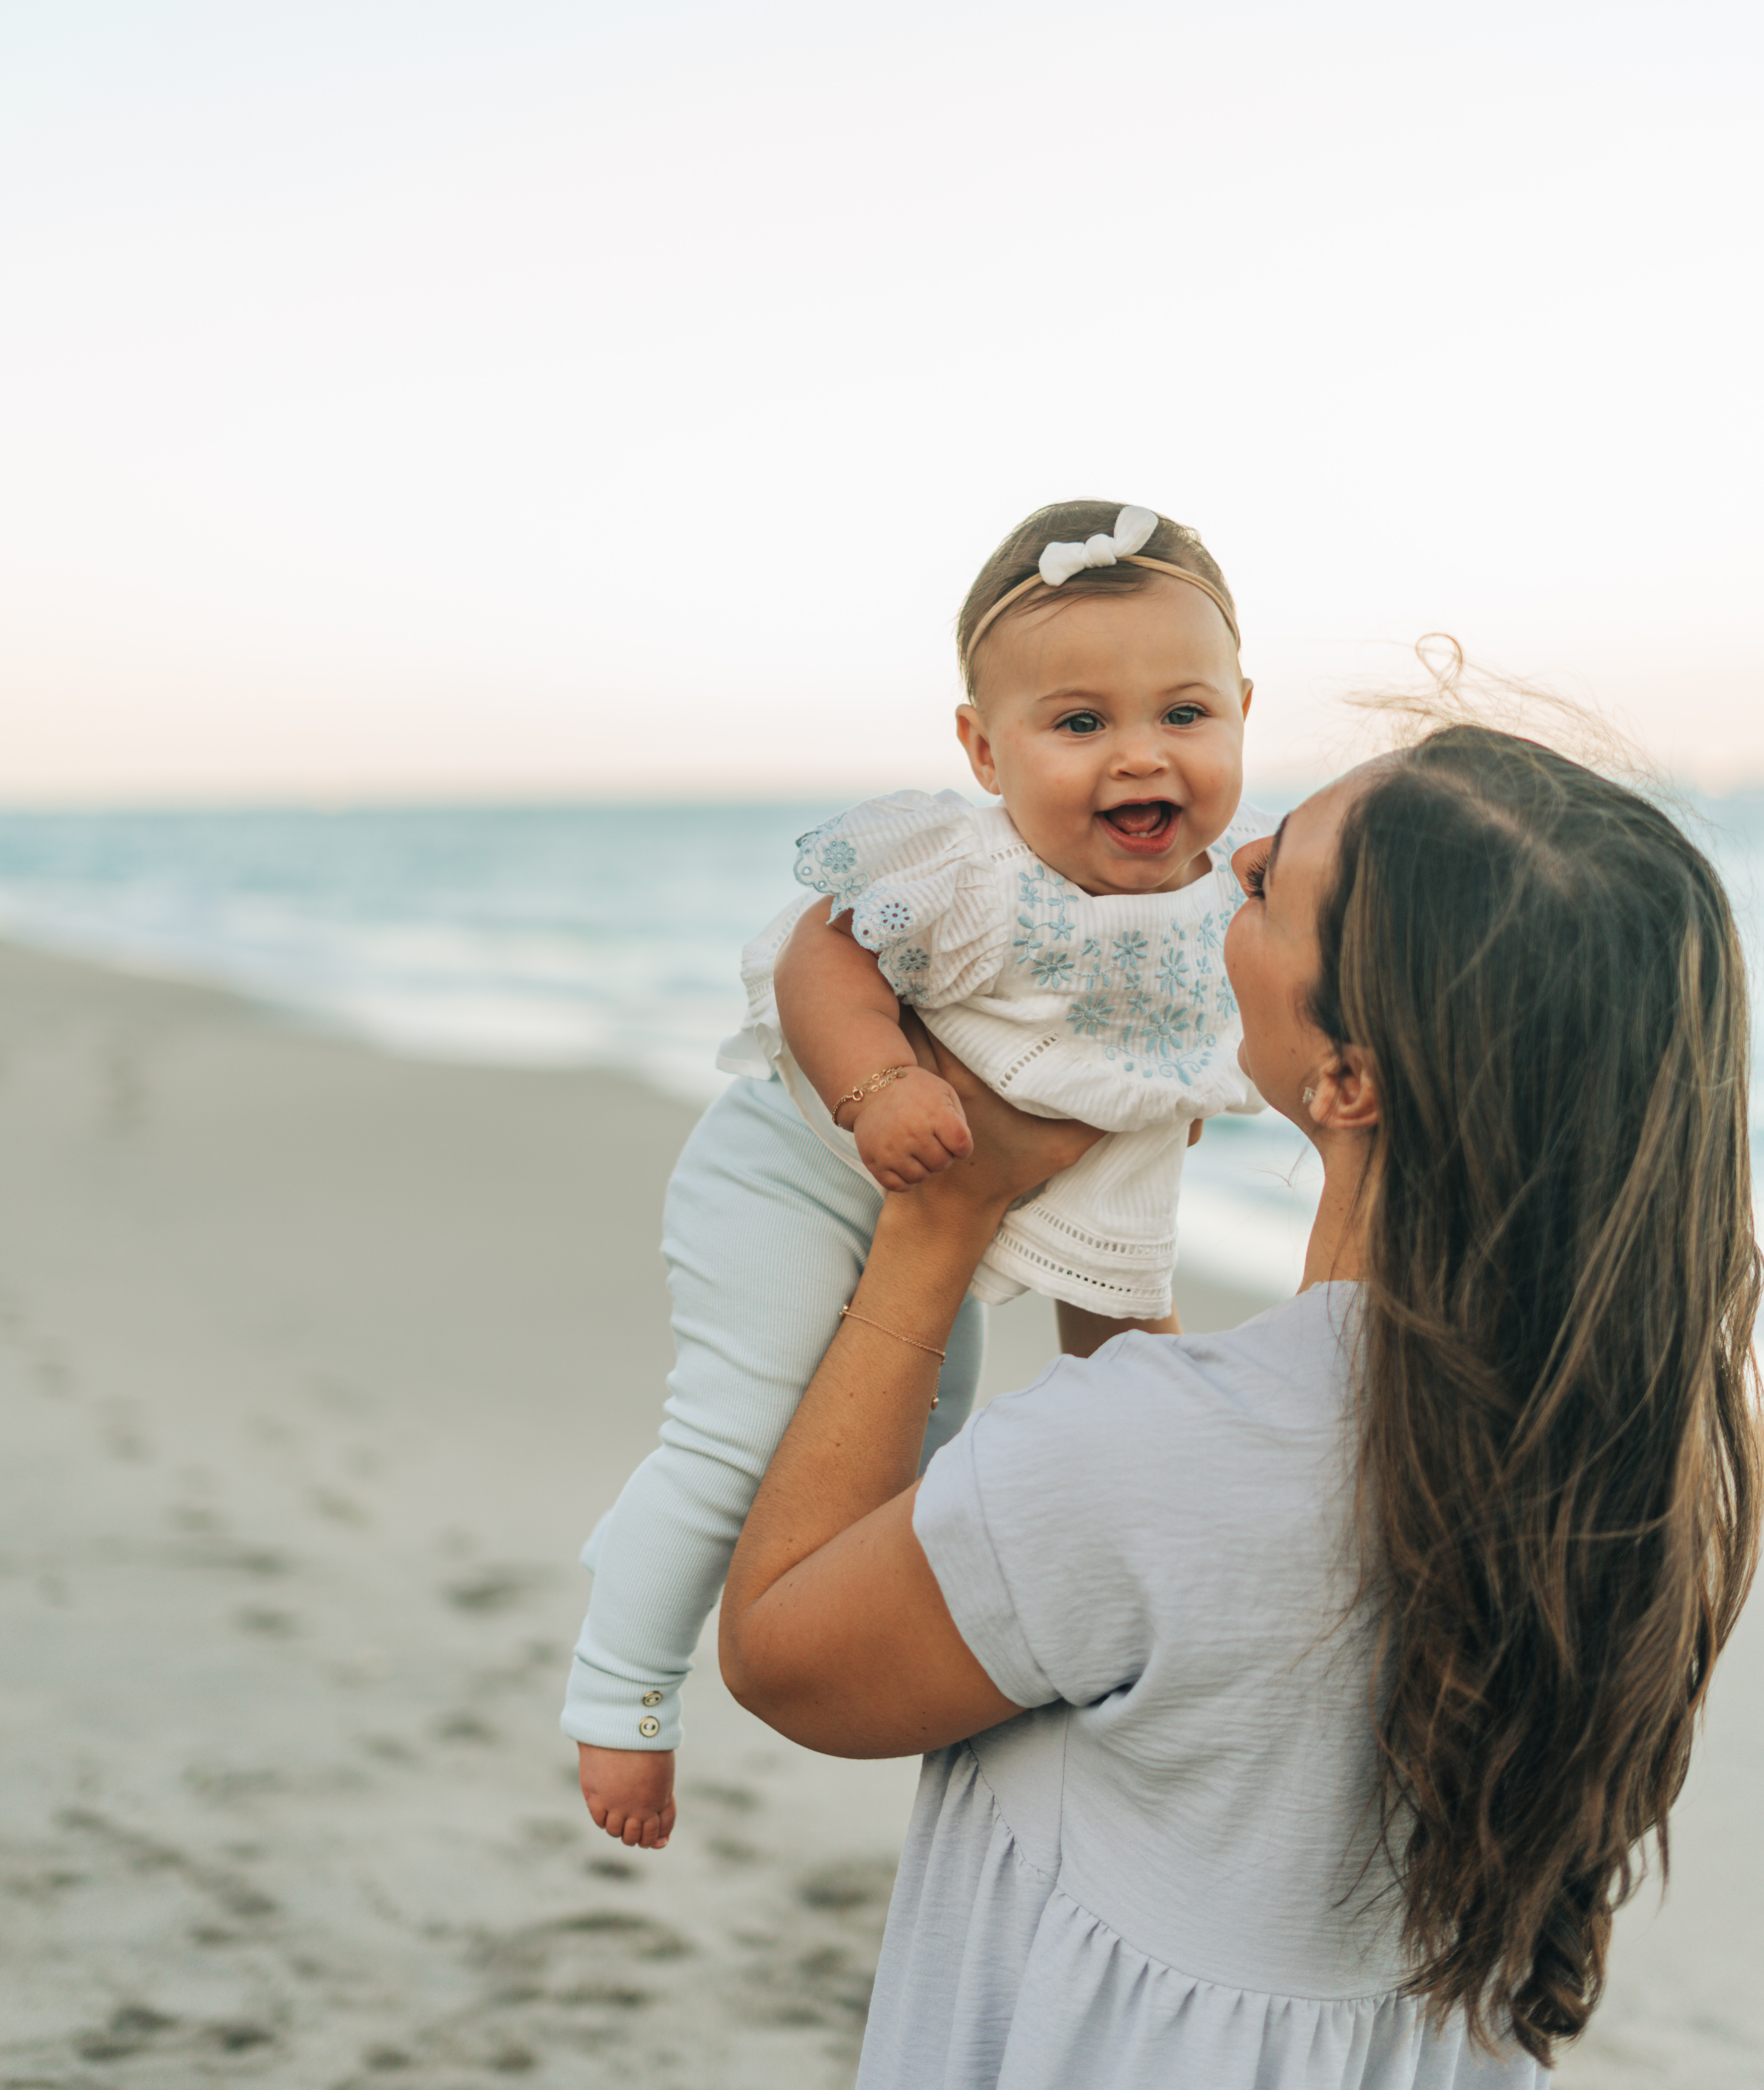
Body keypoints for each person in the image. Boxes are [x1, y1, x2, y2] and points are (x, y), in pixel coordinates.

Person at [720, 726, 1761, 2082]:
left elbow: (783, 1653)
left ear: (1346, 1079)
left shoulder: (1165, 1452)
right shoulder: (1639, 1453)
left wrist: (942, 1220)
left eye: (1275, 883)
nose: (1240, 850)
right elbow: (1180, 1541)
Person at [567, 500, 1271, 1848]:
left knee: (901, 1462)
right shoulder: (966, 867)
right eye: (1079, 725)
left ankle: (929, 1619)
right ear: (981, 749)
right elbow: (819, 957)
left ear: (1242, 711)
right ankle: (623, 1691)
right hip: (794, 1174)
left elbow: (1190, 1090)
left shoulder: (1222, 902)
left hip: (946, 1217)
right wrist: (878, 1082)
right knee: (738, 1437)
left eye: (1184, 715)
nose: (1141, 757)